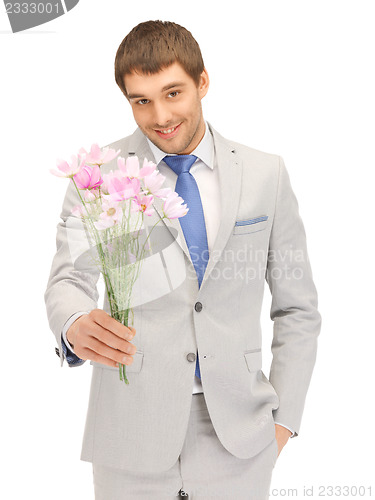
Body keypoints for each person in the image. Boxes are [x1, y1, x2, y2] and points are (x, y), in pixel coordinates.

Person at [44, 20, 322, 500]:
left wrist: (283, 424)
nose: (161, 115)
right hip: (129, 431)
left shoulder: (265, 174)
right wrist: (72, 322)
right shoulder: (97, 176)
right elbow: (68, 277)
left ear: (203, 82)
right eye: (141, 100)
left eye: (173, 92)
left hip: (239, 434)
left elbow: (297, 308)